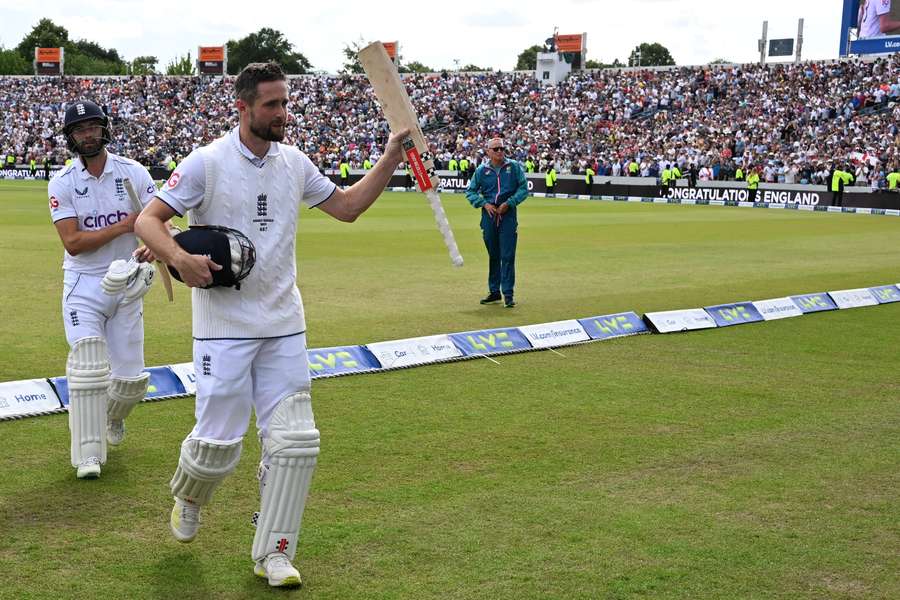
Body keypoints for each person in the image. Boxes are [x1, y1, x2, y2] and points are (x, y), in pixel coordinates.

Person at [134, 62, 409, 589]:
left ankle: (275, 553)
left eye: (285, 103)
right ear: (242, 107)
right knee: (217, 445)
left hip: (284, 323)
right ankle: (190, 497)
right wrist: (180, 260)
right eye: (271, 105)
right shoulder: (206, 163)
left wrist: (389, 157)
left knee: (296, 442)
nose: (283, 113)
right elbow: (149, 220)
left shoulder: (295, 163)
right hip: (224, 326)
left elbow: (347, 207)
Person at [48, 99, 157, 480]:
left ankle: (113, 416)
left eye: (93, 126)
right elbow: (73, 242)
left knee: (130, 382)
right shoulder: (63, 181)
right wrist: (127, 226)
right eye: (80, 129)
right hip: (83, 284)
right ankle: (88, 456)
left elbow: (159, 221)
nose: (88, 134)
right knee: (88, 368)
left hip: (127, 282)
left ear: (105, 128)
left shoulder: (133, 173)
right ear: (71, 137)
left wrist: (154, 243)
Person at [465, 137, 528, 308]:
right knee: (494, 255)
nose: (500, 151)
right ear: (488, 152)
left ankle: (508, 293)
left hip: (508, 215)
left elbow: (524, 189)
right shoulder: (481, 170)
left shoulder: (513, 167)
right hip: (489, 216)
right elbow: (470, 192)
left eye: (502, 148)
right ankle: (494, 292)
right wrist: (484, 204)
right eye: (496, 149)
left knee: (507, 256)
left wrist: (509, 203)